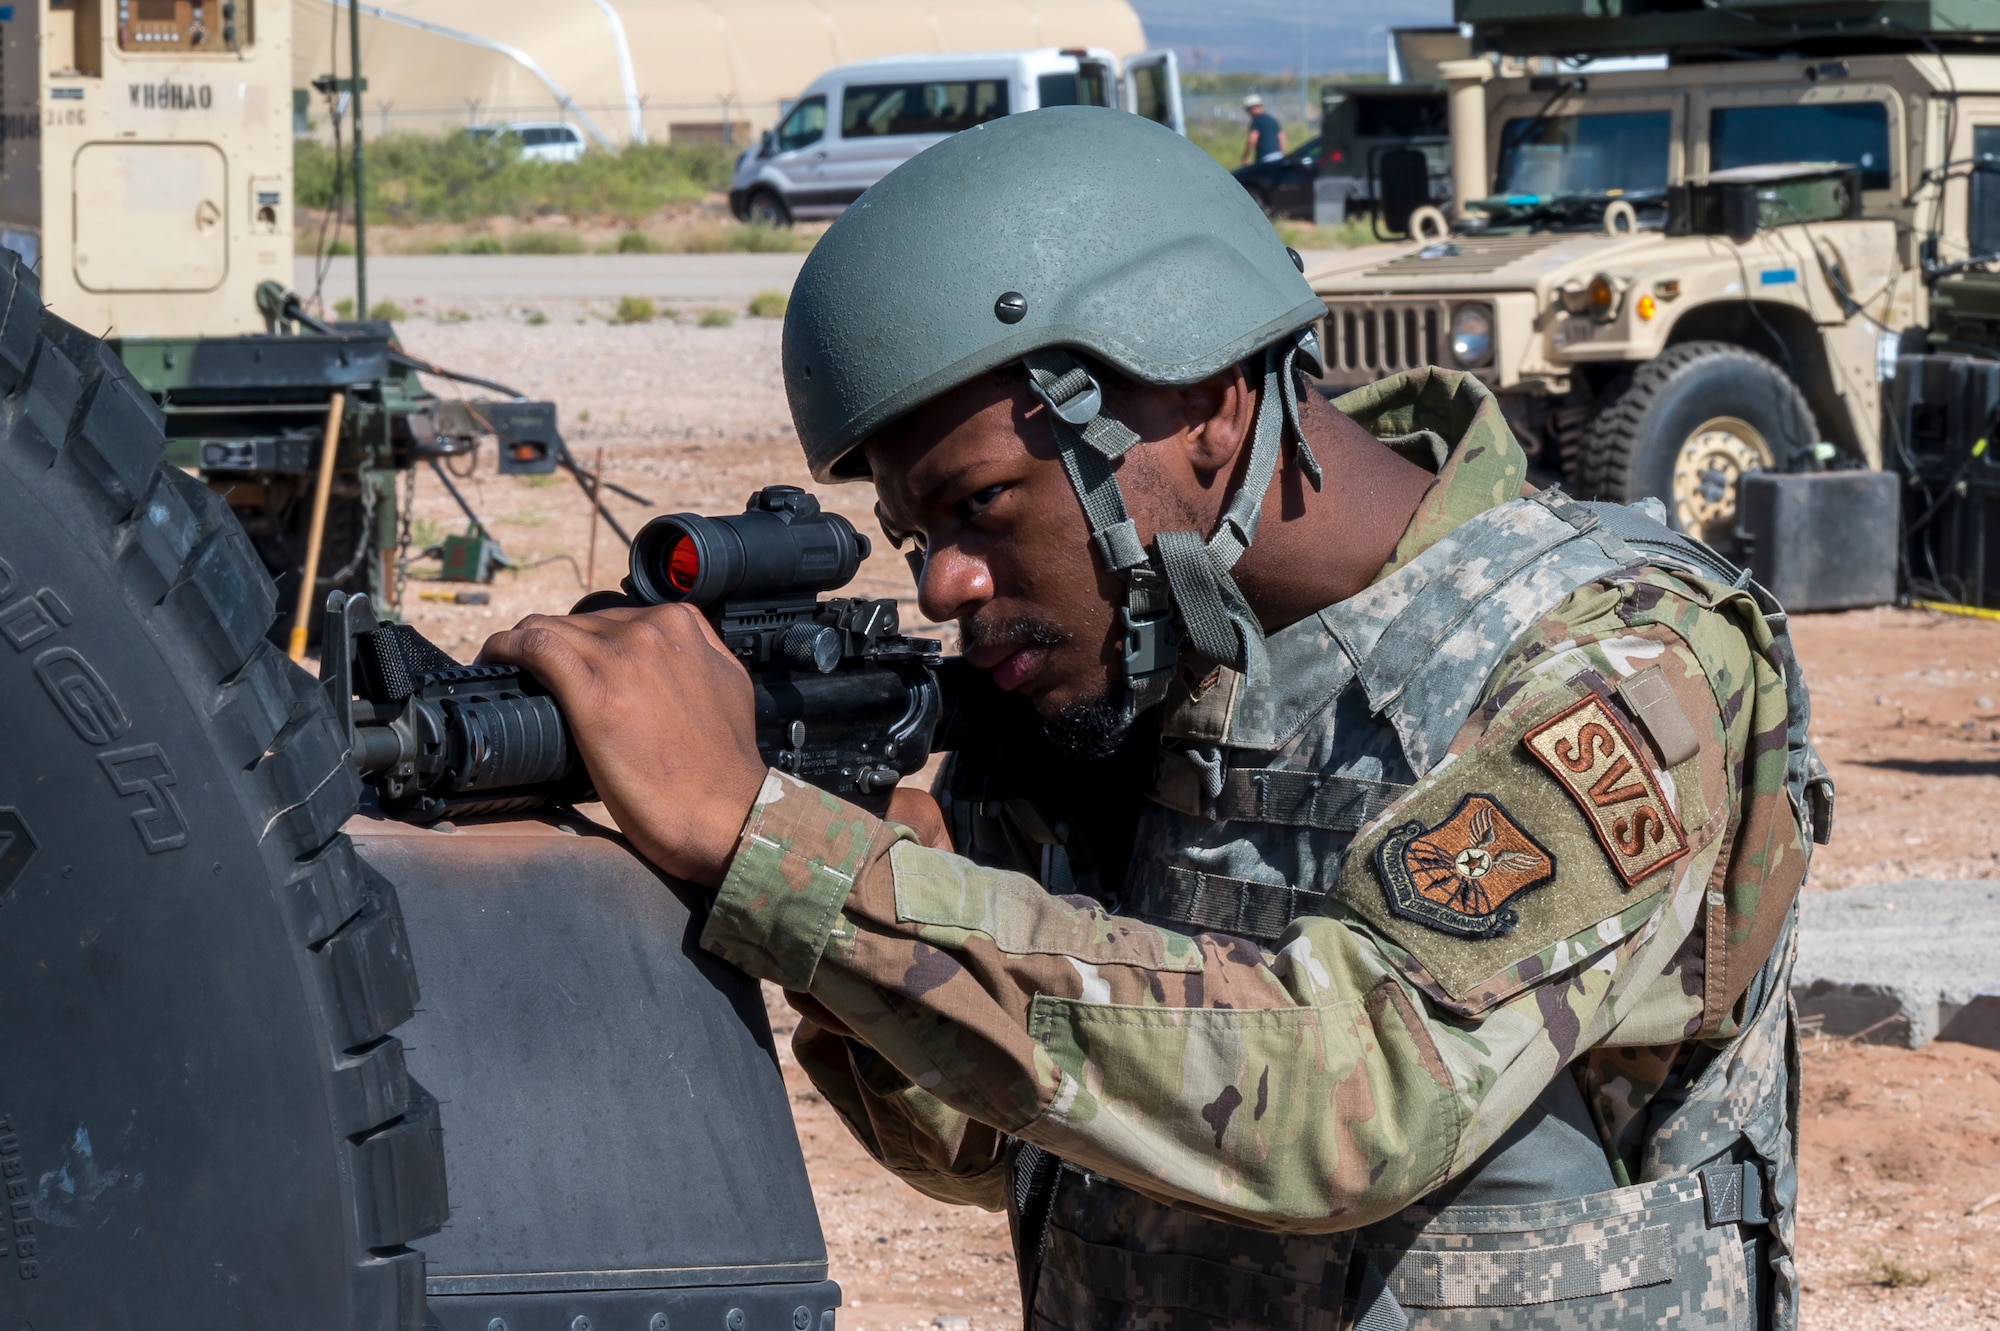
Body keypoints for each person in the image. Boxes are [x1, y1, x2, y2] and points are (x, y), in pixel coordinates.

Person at [481, 106, 1829, 1330]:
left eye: (983, 504)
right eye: (913, 531)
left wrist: (767, 847)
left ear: (1204, 398)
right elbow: (970, 1135)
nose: (943, 580)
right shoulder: (1144, 677)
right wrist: (837, 845)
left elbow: (1357, 1093)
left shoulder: (1619, 656)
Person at [1242, 93, 1285, 164]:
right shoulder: (1272, 120)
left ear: (1253, 108)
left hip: (1265, 158)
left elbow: (1252, 140)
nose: (1247, 112)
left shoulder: (1256, 121)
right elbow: (1282, 138)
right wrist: (1282, 154)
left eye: (1248, 110)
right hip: (1278, 156)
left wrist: (1246, 156)